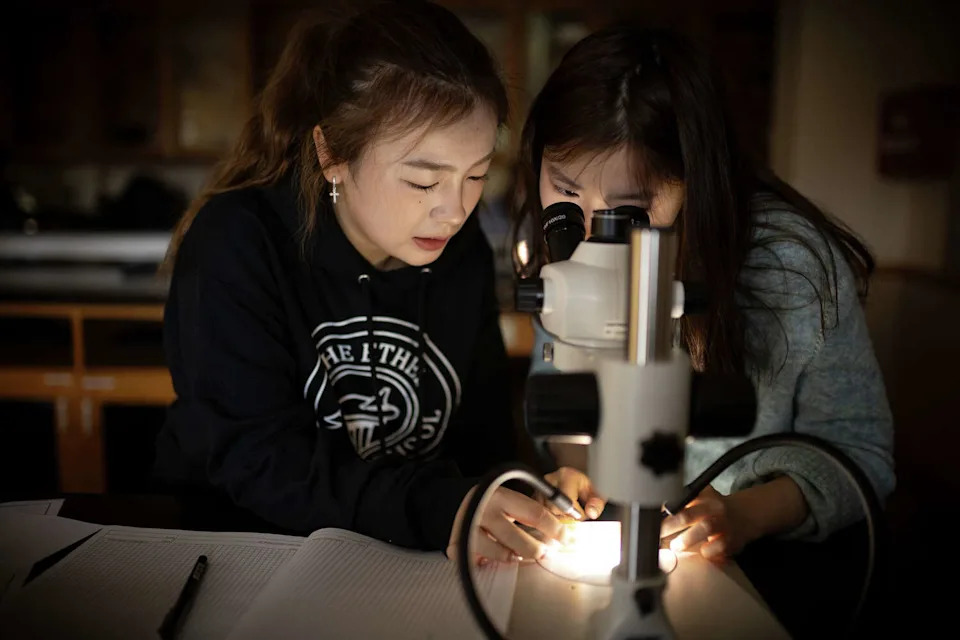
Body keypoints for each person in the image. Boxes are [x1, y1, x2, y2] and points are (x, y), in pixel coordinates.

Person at [154, 1, 600, 568]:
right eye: (423, 181)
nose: (454, 211)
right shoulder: (239, 242)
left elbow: (480, 432)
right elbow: (257, 459)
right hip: (232, 552)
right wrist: (438, 507)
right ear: (332, 154)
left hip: (397, 561)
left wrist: (518, 494)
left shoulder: (455, 249)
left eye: (477, 175)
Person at [511, 26, 895, 636]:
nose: (588, 230)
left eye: (628, 209)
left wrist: (743, 515)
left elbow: (861, 455)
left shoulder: (791, 267)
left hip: (768, 567)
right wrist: (580, 466)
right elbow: (560, 394)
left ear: (693, 182)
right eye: (564, 189)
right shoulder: (555, 249)